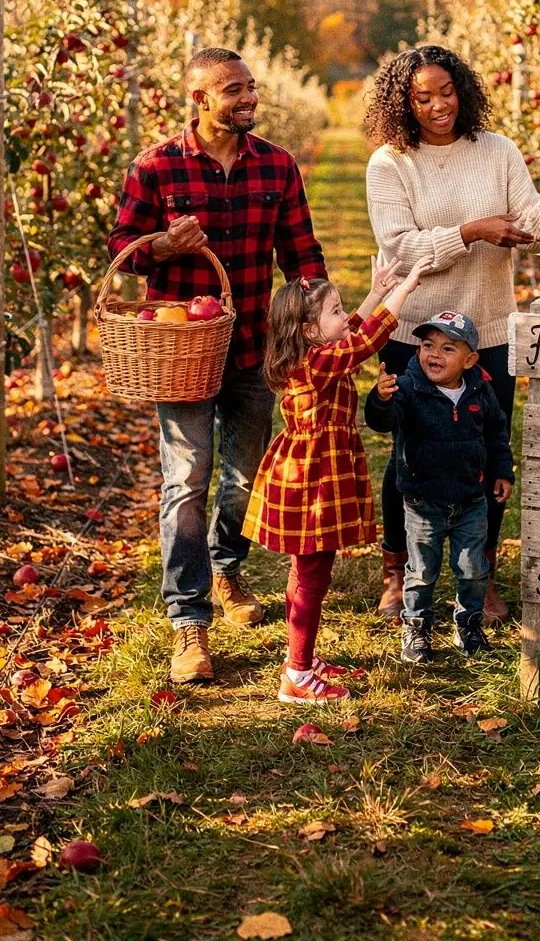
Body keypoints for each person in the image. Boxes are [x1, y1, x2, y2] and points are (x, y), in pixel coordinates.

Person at [108, 46, 326, 686]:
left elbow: (302, 253)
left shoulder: (277, 166)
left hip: (257, 347)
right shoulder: (155, 168)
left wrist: (317, 318)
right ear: (199, 98)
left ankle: (226, 568)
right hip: (180, 353)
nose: (248, 99)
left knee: (242, 477)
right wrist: (161, 245)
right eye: (233, 90)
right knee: (186, 478)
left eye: (250, 87)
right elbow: (121, 247)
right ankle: (189, 619)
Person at [364, 44, 540, 623]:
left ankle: (477, 577)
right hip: (414, 329)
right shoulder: (389, 163)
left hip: (486, 330)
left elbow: (533, 229)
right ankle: (399, 569)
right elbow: (402, 247)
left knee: (484, 451)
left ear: (463, 89)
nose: (438, 106)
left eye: (446, 92)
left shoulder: (497, 150)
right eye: (422, 97)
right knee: (413, 451)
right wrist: (472, 231)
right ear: (402, 104)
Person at [242, 255, 430, 705]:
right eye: (335, 311)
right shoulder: (318, 364)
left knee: (308, 572)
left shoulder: (313, 355)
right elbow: (364, 341)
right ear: (309, 330)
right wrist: (405, 289)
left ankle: (301, 660)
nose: (345, 317)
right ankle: (298, 673)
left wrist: (377, 291)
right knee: (311, 576)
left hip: (312, 470)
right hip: (313, 478)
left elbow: (350, 333)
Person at [365, 310, 515, 663]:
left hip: (471, 499)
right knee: (421, 572)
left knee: (473, 569)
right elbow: (381, 423)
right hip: (423, 501)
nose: (434, 354)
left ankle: (469, 627)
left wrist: (502, 472)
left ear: (470, 359)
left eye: (448, 348)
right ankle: (416, 628)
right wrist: (380, 399)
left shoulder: (481, 390)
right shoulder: (407, 389)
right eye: (427, 344)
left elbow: (496, 433)